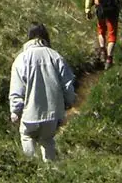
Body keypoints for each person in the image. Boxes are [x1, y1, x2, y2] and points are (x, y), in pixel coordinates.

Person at [8, 22, 76, 162]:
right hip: (52, 113)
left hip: (30, 113)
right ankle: (50, 172)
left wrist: (15, 111)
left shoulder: (21, 59)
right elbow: (67, 84)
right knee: (47, 140)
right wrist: (70, 101)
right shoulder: (55, 56)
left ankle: (32, 169)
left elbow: (17, 89)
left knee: (26, 136)